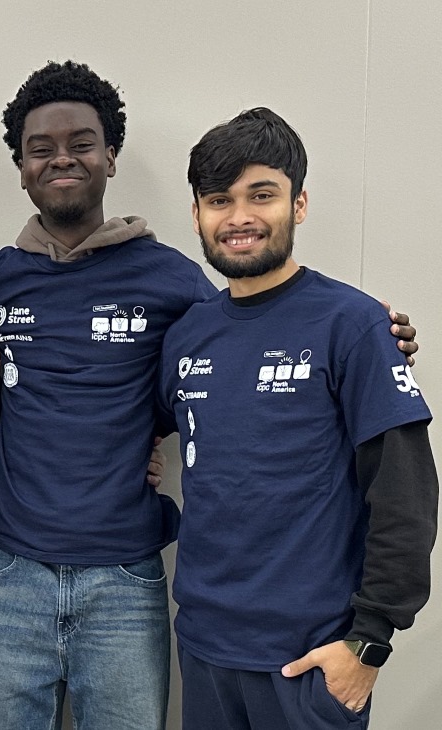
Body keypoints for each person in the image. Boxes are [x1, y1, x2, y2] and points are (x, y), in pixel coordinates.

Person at [0, 61, 420, 730]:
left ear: (110, 156)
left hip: (135, 583)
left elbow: (261, 330)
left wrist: (381, 336)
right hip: (23, 578)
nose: (62, 159)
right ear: (21, 166)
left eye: (82, 142)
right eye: (41, 149)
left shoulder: (178, 283)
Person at [158, 107, 438, 730]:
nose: (239, 218)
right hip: (204, 650)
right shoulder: (187, 335)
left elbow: (405, 494)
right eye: (218, 200)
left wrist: (369, 641)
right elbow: (138, 429)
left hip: (310, 663)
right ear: (198, 214)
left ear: (300, 203)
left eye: (262, 194)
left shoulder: (354, 324)